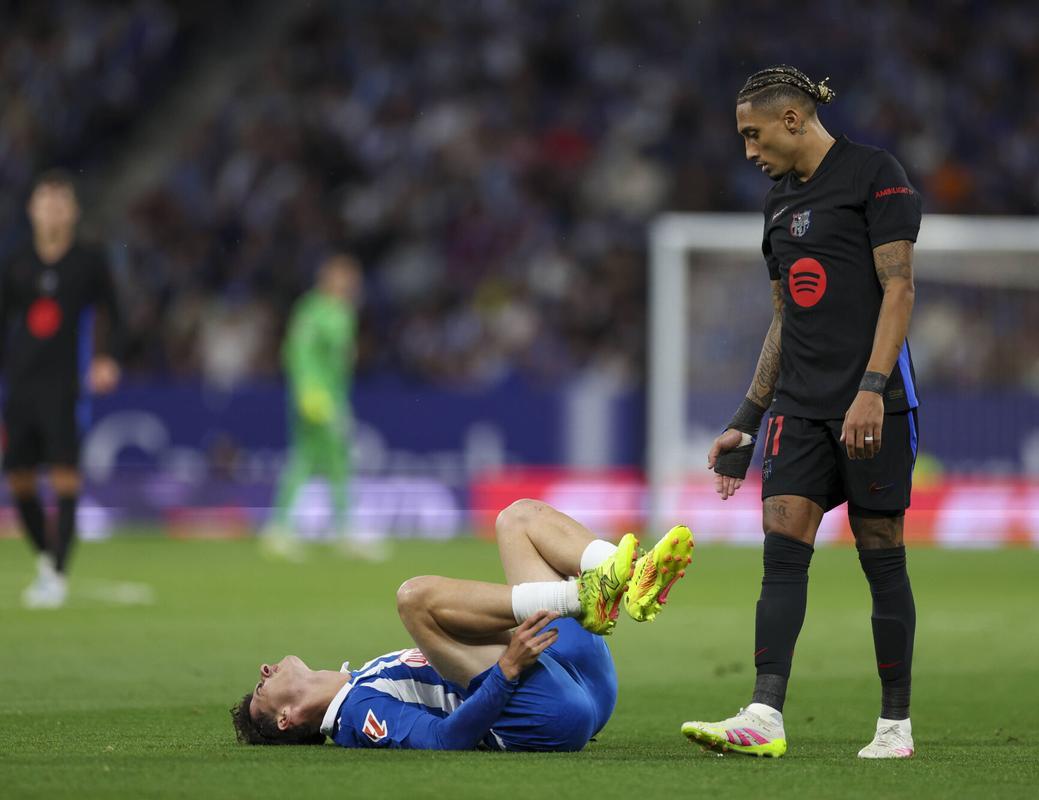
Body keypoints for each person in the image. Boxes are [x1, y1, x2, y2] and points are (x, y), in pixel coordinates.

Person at [681, 66, 922, 759]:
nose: (748, 151)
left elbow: (899, 290)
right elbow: (784, 318)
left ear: (791, 119)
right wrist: (748, 418)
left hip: (876, 404)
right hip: (800, 410)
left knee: (881, 554)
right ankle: (764, 713)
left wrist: (872, 387)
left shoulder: (876, 175)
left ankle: (895, 726)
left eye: (753, 134)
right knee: (781, 554)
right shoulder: (778, 205)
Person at [232, 500, 694, 750]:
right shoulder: (357, 717)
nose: (265, 670)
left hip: (574, 682)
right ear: (287, 719)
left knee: (516, 519)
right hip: (547, 715)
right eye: (260, 689)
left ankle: (631, 577)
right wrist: (506, 671)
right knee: (414, 600)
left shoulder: (363, 677)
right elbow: (444, 738)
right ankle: (581, 596)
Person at [0, 170, 124, 609]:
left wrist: (107, 357)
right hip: (21, 385)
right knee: (17, 478)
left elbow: (114, 310)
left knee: (65, 476)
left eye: (60, 200)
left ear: (72, 211)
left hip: (64, 386)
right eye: (44, 200)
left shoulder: (88, 261)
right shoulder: (17, 261)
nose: (52, 207)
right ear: (32, 209)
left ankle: (56, 573)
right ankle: (48, 561)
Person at [261, 254, 365, 560]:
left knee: (323, 460)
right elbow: (297, 353)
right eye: (346, 278)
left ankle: (284, 529)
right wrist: (309, 394)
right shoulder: (314, 310)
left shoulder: (343, 312)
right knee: (324, 460)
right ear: (330, 279)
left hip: (335, 396)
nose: (351, 285)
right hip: (317, 399)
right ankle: (337, 531)